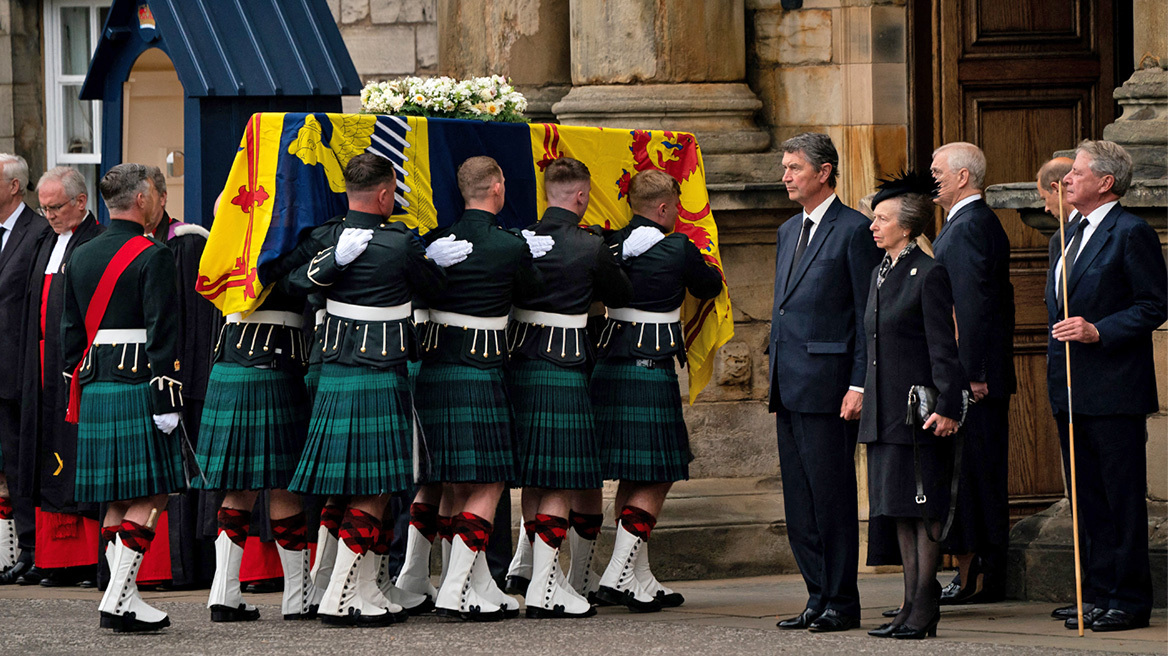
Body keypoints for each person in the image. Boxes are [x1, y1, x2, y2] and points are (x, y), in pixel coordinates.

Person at [286, 153, 452, 626]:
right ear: (385, 195)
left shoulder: (328, 237)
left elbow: (297, 282)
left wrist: (330, 261)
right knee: (375, 488)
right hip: (379, 372)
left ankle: (352, 588)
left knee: (346, 486)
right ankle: (341, 595)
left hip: (337, 371)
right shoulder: (399, 243)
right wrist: (431, 260)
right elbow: (434, 288)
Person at [502, 157, 631, 617]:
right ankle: (545, 587)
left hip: (519, 362)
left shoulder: (519, 240)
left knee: (536, 476)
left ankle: (543, 577)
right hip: (565, 363)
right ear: (581, 197)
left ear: (546, 194)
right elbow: (621, 294)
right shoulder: (589, 245)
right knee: (557, 474)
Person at [591, 169, 723, 613]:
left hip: (607, 365)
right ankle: (616, 574)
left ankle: (638, 580)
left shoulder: (606, 245)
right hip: (650, 368)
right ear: (664, 208)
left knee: (634, 474)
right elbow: (709, 284)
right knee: (658, 472)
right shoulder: (677, 247)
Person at [1046, 140, 1165, 632]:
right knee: (1086, 498)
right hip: (1070, 388)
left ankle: (1129, 598)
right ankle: (1093, 592)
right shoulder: (1064, 232)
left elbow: (1154, 304)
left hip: (1114, 388)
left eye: (1075, 172)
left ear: (1106, 182)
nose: (1065, 179)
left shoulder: (1130, 231)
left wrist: (1099, 330)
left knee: (1119, 497)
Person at [414, 156, 538, 621]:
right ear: (498, 188)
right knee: (489, 478)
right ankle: (453, 589)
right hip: (482, 370)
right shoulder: (508, 246)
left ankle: (462, 581)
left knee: (450, 479)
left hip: (435, 369)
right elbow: (532, 292)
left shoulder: (436, 243)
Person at [62, 163, 185, 632]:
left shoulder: (82, 253)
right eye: (156, 191)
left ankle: (126, 598)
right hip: (140, 383)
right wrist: (168, 397)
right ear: (141, 198)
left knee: (116, 498)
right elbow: (163, 334)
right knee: (154, 492)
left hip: (96, 384)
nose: (158, 199)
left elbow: (70, 334)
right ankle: (116, 598)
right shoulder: (153, 255)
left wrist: (80, 383)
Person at [768, 133, 881, 632]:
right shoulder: (789, 229)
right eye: (785, 167)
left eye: (794, 167)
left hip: (832, 387)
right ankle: (816, 595)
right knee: (800, 503)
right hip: (788, 384)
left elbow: (865, 316)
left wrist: (859, 384)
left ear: (825, 171)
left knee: (831, 498)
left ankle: (841, 600)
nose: (786, 176)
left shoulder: (856, 230)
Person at [860, 172, 967, 641]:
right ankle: (907, 607)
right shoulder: (879, 270)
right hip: (883, 413)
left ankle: (925, 611)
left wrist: (948, 406)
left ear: (905, 227)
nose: (873, 226)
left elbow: (944, 347)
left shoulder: (929, 271)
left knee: (923, 511)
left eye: (881, 219)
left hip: (917, 412)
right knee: (899, 510)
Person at [929, 142, 1015, 604]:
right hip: (975, 377)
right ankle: (975, 575)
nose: (932, 178)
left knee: (974, 477)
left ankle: (976, 578)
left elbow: (973, 308)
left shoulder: (967, 227)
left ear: (963, 177)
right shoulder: (967, 223)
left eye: (938, 170)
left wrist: (972, 375)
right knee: (976, 474)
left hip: (974, 382)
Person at [13, 167, 104, 589]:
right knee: (39, 450)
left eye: (56, 207)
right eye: (44, 207)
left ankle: (84, 560)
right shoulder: (45, 241)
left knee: (71, 455)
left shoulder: (95, 242)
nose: (47, 215)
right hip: (39, 365)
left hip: (72, 365)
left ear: (81, 202)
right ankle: (46, 556)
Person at [0, 155, 50, 584]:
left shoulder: (37, 232)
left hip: (16, 370)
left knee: (20, 462)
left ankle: (32, 548)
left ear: (15, 186)